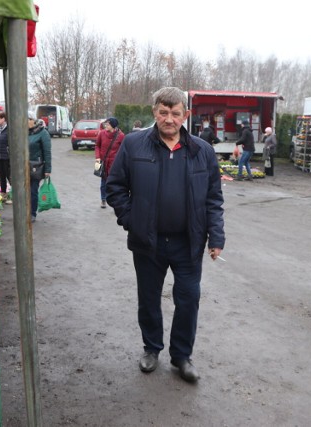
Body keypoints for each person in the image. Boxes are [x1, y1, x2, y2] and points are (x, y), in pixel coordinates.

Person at [106, 86, 225, 383]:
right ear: (154, 113)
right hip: (148, 242)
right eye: (163, 112)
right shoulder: (134, 145)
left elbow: (213, 197)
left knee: (188, 299)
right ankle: (151, 348)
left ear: (185, 115)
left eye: (175, 113)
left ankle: (182, 356)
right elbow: (115, 187)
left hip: (188, 242)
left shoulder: (202, 151)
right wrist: (131, 220)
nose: (169, 119)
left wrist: (216, 236)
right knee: (148, 298)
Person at [94, 117, 124, 208]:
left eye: (107, 124)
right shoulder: (102, 133)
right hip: (103, 163)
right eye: (105, 124)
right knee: (103, 183)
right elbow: (97, 146)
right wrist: (98, 157)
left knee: (114, 183)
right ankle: (103, 200)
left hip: (114, 164)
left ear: (113, 126)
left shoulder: (121, 136)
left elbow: (124, 149)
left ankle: (114, 200)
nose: (105, 126)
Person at [28, 112, 52, 222]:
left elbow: (47, 152)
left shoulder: (43, 133)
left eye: (27, 120)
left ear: (33, 120)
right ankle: (25, 211)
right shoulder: (24, 132)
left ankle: (32, 213)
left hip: (36, 167)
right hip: (23, 165)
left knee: (33, 191)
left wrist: (47, 169)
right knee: (23, 191)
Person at [0, 111, 12, 204]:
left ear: (3, 119)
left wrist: (8, 152)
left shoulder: (8, 129)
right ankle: (3, 193)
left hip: (7, 157)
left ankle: (13, 195)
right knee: (2, 176)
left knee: (9, 176)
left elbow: (10, 143)